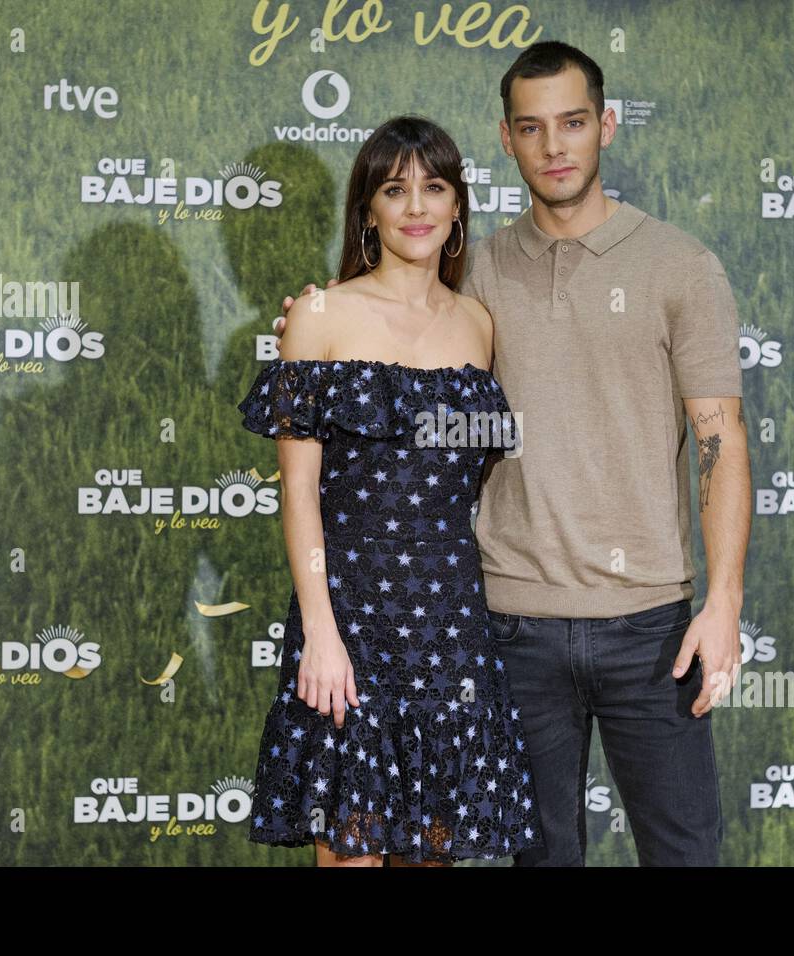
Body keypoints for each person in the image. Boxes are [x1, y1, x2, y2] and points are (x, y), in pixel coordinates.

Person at [272, 41, 750, 867]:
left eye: (572, 123)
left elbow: (722, 440)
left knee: (685, 853)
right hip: (508, 628)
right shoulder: (477, 278)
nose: (553, 146)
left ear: (606, 126)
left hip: (646, 627)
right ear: (507, 139)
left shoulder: (680, 267)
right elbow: (382, 342)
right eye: (532, 128)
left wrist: (725, 602)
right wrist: (310, 324)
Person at [236, 115, 543, 867]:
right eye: (395, 190)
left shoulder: (478, 326)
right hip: (350, 620)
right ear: (367, 210)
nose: (416, 207)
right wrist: (321, 632)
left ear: (457, 206)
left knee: (432, 852)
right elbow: (298, 493)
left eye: (433, 188)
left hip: (449, 625)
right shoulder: (320, 316)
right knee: (351, 851)